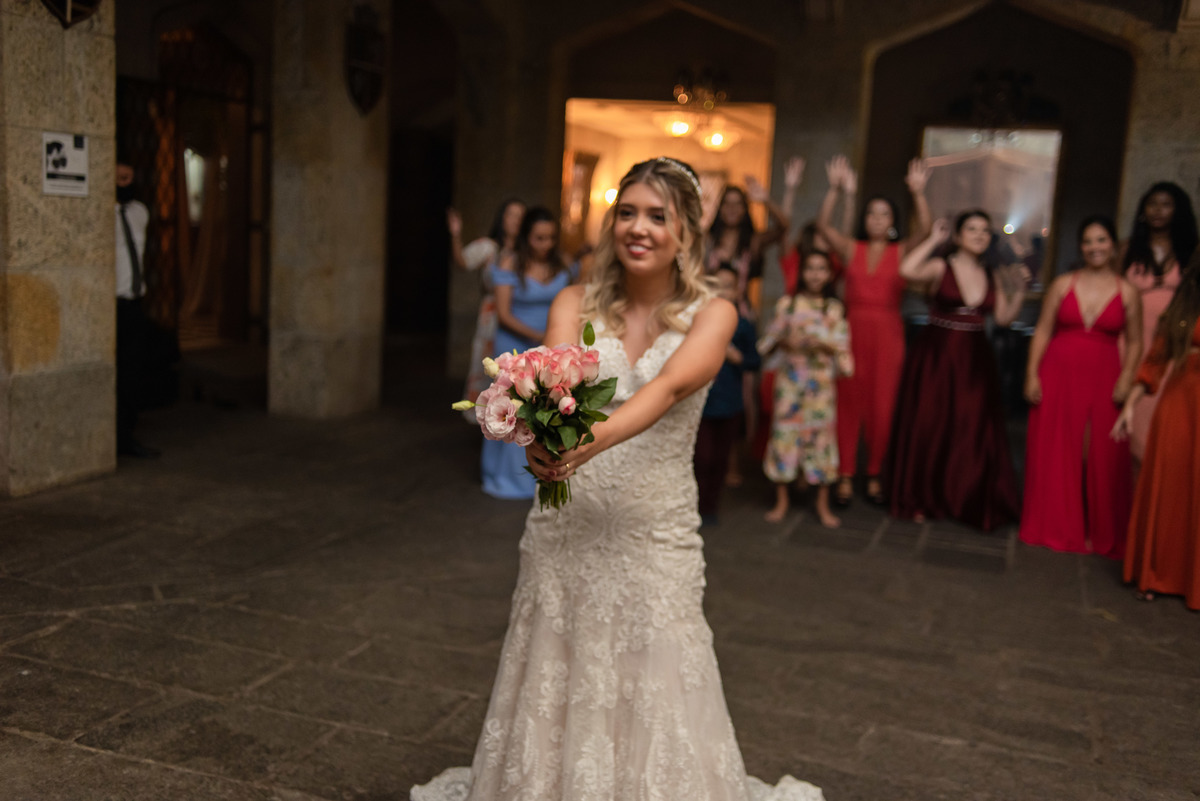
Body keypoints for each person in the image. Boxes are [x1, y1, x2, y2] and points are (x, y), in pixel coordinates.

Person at [412, 157, 823, 801]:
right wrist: (539, 446)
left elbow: (666, 389)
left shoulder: (714, 313)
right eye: (627, 212)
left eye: (658, 216)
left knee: (657, 661)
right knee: (558, 652)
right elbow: (547, 388)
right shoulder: (574, 301)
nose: (639, 227)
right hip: (567, 521)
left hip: (655, 523)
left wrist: (575, 447)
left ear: (686, 231)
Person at [885, 211, 1027, 531]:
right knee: (930, 424)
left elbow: (1003, 318)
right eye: (971, 229)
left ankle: (964, 495)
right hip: (937, 355)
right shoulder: (941, 266)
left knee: (971, 426)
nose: (979, 235)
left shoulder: (991, 273)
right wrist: (935, 240)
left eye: (984, 231)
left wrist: (1017, 289)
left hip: (975, 359)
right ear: (959, 236)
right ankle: (921, 496)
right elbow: (906, 269)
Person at [1020, 216, 1143, 558]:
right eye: (1088, 241)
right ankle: (1057, 524)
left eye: (1101, 240)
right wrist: (1031, 374)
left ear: (1114, 245)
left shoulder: (1128, 291)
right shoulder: (1062, 284)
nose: (1094, 247)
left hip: (1105, 373)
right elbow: (1042, 330)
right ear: (1081, 247)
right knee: (1057, 446)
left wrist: (1127, 376)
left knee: (1099, 451)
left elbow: (1135, 342)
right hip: (1058, 371)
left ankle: (1096, 528)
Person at [816, 155, 931, 507]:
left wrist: (918, 193)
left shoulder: (900, 251)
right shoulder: (853, 249)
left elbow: (926, 230)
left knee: (883, 406)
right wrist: (834, 190)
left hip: (888, 334)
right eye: (872, 214)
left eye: (884, 214)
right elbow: (823, 226)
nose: (877, 219)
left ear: (893, 221)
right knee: (848, 402)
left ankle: (877, 472)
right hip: (851, 331)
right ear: (865, 219)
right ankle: (846, 474)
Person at [1113, 251, 1200, 608]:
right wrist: (1129, 408)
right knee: (1172, 488)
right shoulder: (1184, 306)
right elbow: (1153, 363)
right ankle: (1157, 574)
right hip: (1180, 405)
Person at [480, 206, 578, 500]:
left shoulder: (564, 263)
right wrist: (539, 337)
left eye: (550, 238)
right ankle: (506, 476)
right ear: (526, 237)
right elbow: (504, 313)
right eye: (538, 238)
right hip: (514, 344)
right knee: (511, 410)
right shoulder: (510, 263)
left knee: (545, 410)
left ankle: (543, 473)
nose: (545, 245)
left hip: (551, 349)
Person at [760, 250, 852, 527]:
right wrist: (785, 342)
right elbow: (766, 344)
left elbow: (844, 354)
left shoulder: (834, 309)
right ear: (801, 272)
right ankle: (782, 501)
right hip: (790, 384)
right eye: (810, 268)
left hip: (821, 387)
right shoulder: (788, 305)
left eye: (821, 268)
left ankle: (822, 504)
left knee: (821, 441)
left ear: (829, 274)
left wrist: (824, 346)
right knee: (784, 438)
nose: (815, 274)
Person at [1119, 182, 1198, 462]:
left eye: (1166, 204)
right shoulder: (1127, 250)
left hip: (1173, 346)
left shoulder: (1190, 251)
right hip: (1130, 342)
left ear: (1178, 210)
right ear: (1142, 210)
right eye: (1152, 204)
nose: (1158, 210)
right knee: (1128, 419)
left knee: (1161, 418)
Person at [694, 265, 761, 525]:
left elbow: (755, 361)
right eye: (715, 286)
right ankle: (695, 504)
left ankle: (710, 507)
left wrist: (738, 357)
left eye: (728, 286)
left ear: (738, 291)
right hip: (702, 402)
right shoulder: (697, 323)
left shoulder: (743, 326)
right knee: (701, 457)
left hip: (730, 402)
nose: (721, 292)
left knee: (721, 459)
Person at [448, 198, 525, 415]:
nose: (516, 220)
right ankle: (487, 417)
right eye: (511, 215)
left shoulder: (527, 252)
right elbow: (463, 261)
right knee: (489, 367)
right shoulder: (490, 247)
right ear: (502, 218)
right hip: (491, 316)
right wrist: (455, 233)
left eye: (521, 216)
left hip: (518, 311)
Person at [115, 159, 160, 459]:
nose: (123, 182)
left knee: (132, 371)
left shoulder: (140, 212)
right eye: (118, 177)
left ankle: (126, 435)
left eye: (128, 177)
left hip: (134, 301)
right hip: (111, 302)